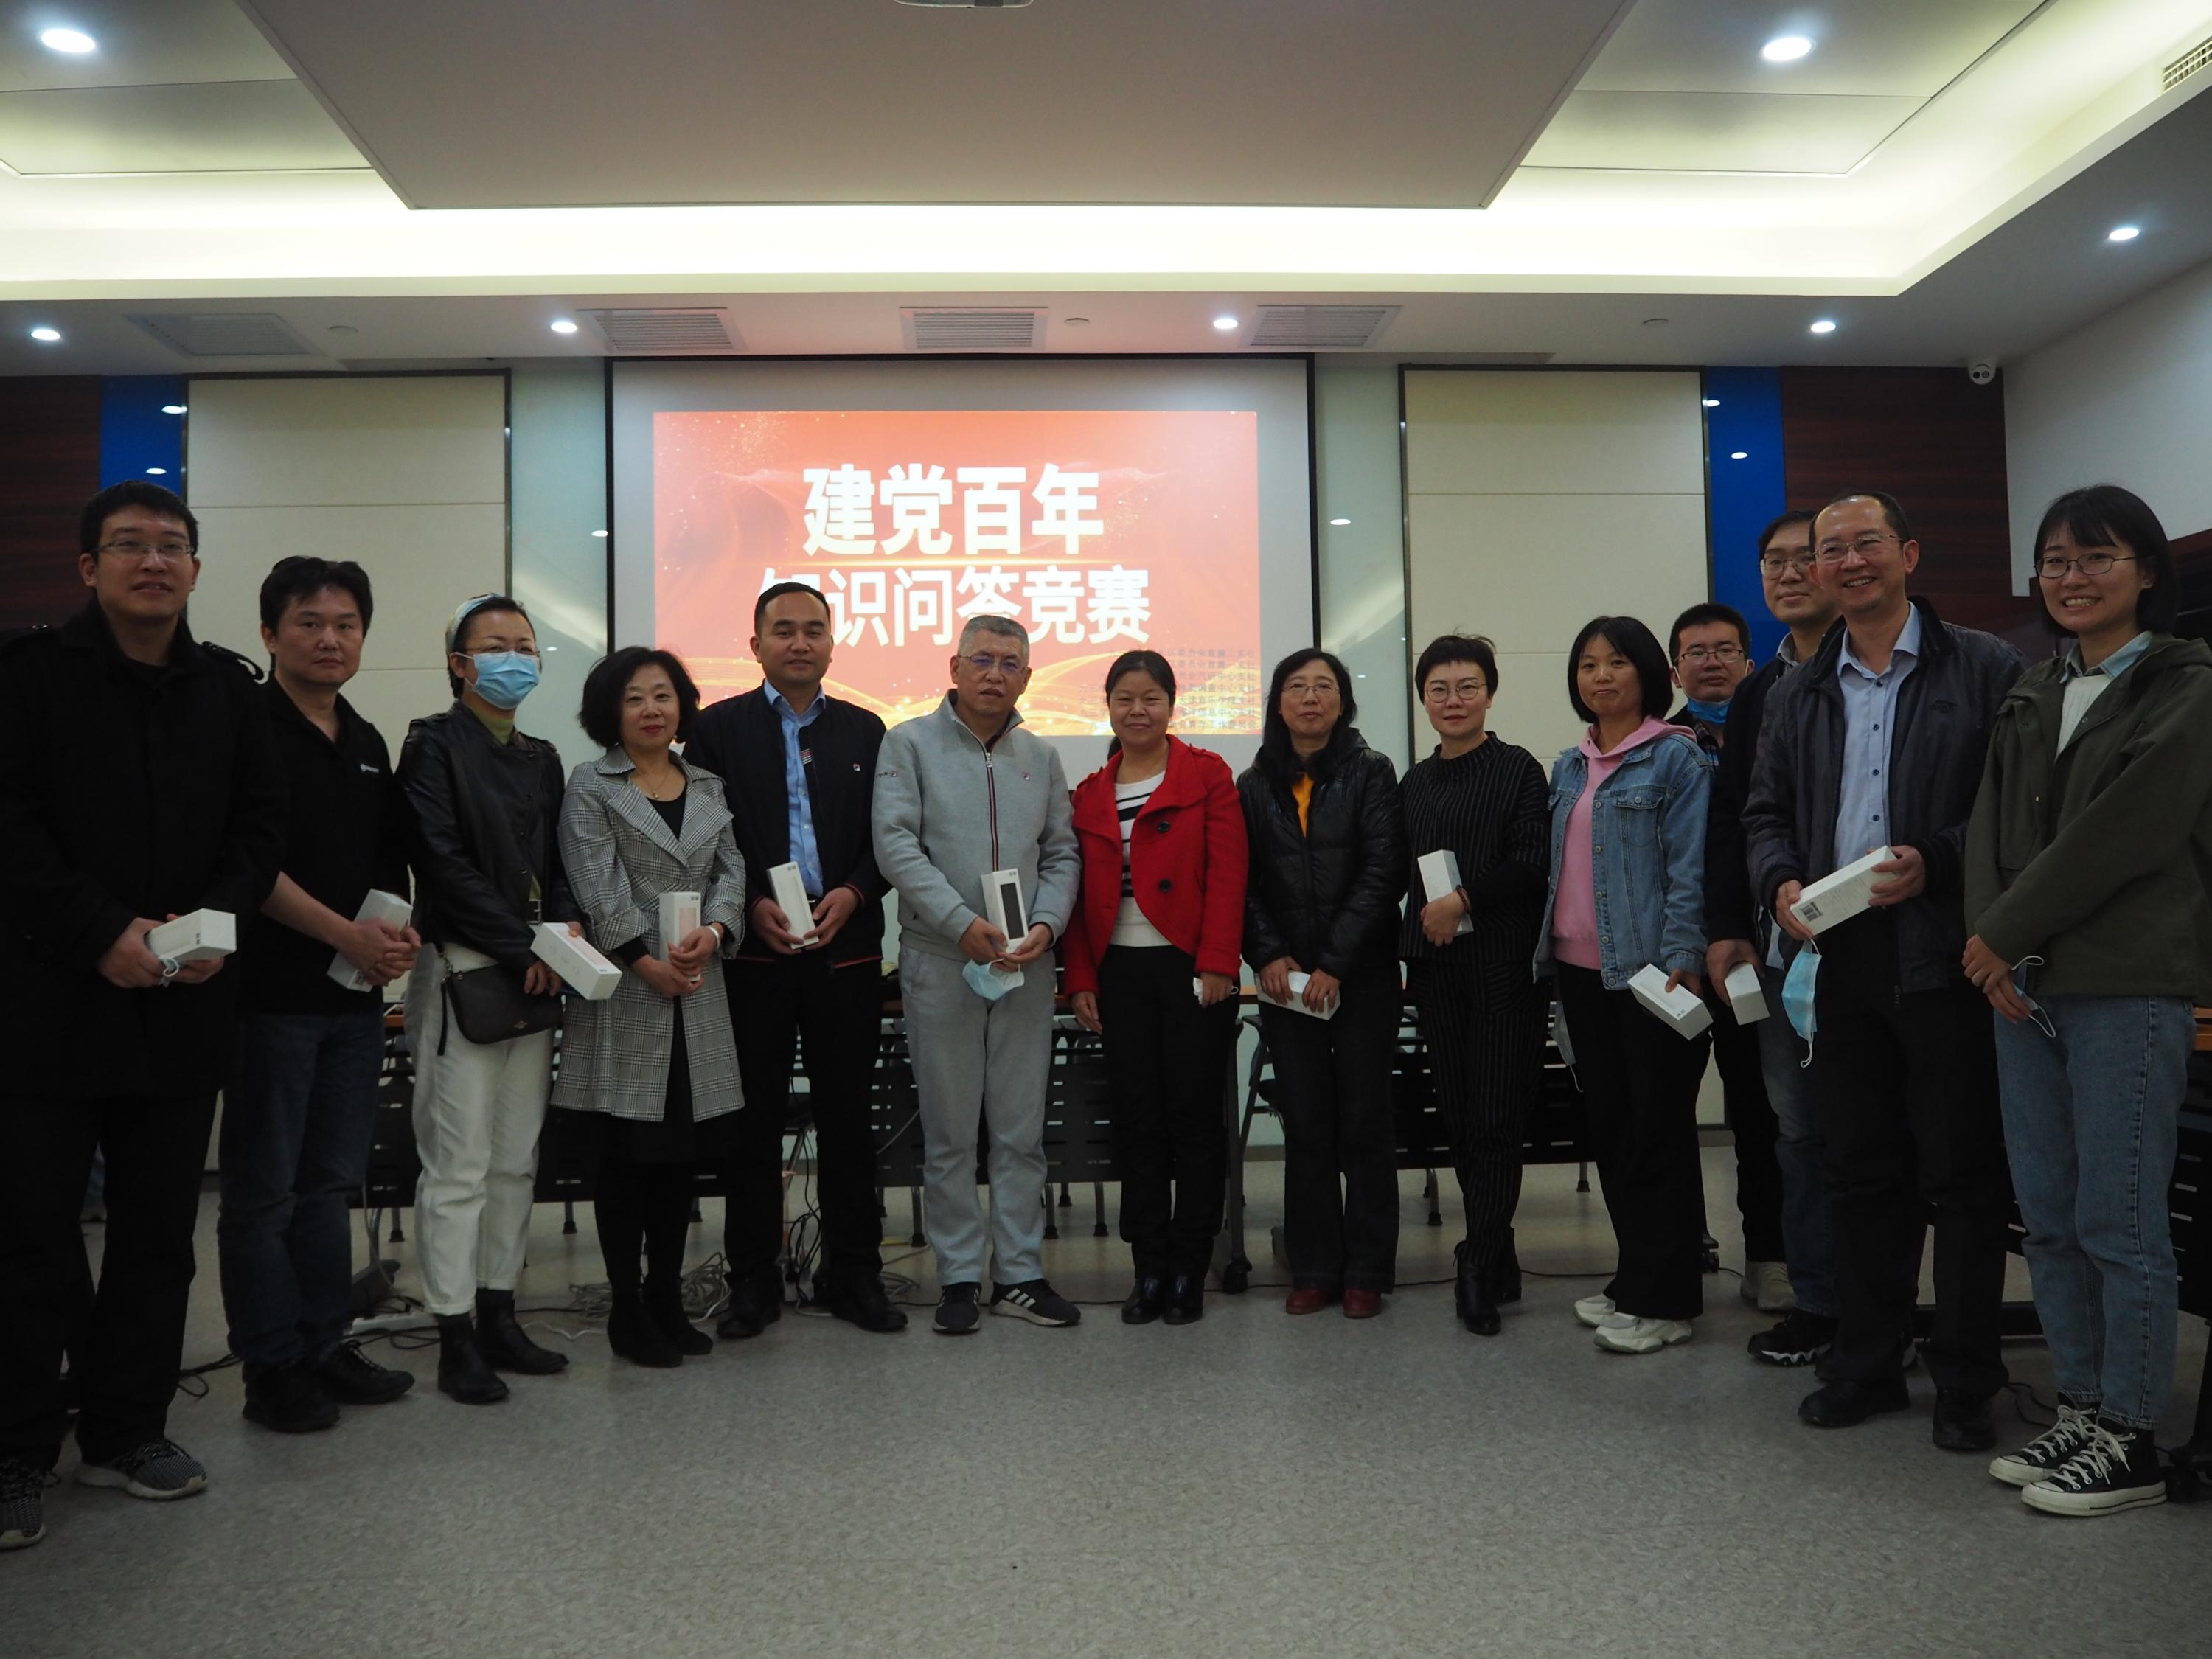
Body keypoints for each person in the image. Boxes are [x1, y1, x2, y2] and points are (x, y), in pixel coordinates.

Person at [0, 482, 284, 1549]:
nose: (153, 561)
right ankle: (18, 1446)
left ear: (197, 569)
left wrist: (212, 927)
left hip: (183, 1003)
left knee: (160, 1235)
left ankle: (128, 1430)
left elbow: (260, 831)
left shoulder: (230, 693)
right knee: (28, 1237)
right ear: (89, 567)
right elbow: (10, 827)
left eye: (172, 546)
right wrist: (101, 932)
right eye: (129, 545)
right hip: (47, 1005)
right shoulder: (27, 678)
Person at [1744, 490, 2024, 1452]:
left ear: (1908, 553)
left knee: (1962, 1177)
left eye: (1867, 543)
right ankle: (1866, 1363)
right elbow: (1765, 812)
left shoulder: (1983, 666)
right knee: (1860, 1169)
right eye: (1832, 550)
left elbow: (2012, 811)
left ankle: (1967, 1380)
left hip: (1945, 952)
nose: (1849, 562)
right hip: (1837, 955)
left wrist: (1936, 861)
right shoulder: (1798, 689)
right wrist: (1778, 880)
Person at [1965, 485, 2212, 1516]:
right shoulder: (2034, 687)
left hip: (2125, 980)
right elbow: (1987, 825)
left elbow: (2128, 829)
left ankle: (2132, 1435)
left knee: (2120, 1221)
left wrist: (2004, 932)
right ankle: (2080, 1405)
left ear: (2147, 571)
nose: (2072, 578)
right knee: (2052, 1219)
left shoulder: (2185, 683)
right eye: (2056, 561)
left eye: (2097, 558)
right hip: (2022, 988)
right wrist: (1989, 949)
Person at [218, 557, 420, 1436]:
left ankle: (323, 1343)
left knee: (330, 1186)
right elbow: (247, 866)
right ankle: (272, 1368)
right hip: (270, 998)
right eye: (309, 623)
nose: (329, 639)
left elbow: (384, 862)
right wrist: (346, 936)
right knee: (264, 1193)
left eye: (346, 625)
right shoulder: (244, 727)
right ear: (270, 634)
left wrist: (395, 938)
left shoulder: (364, 737)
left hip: (352, 1003)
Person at [684, 582, 904, 1339]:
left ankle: (855, 1274)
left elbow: (890, 837)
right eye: (784, 630)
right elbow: (704, 841)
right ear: (756, 646)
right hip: (756, 952)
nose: (800, 642)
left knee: (848, 1117)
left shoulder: (867, 731)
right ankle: (752, 1279)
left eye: (814, 629)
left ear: (833, 644)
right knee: (752, 1123)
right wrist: (748, 907)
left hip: (846, 948)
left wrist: (855, 891)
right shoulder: (715, 731)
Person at [396, 594, 585, 1405]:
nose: (515, 658)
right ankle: (453, 1332)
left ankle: (500, 1310)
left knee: (515, 1158)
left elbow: (561, 862)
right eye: (496, 645)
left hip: (534, 971)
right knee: (459, 1163)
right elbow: (440, 864)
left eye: (525, 645)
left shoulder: (542, 756)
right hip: (466, 968)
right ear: (460, 663)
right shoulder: (431, 745)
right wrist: (521, 946)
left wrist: (558, 943)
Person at [872, 616, 1082, 1335]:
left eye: (1010, 663)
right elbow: (895, 845)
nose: (996, 674)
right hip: (942, 959)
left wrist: (1046, 925)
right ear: (954, 667)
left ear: (1028, 676)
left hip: (1026, 963)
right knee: (951, 1132)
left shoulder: (1041, 756)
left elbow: (1062, 853)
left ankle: (1019, 1275)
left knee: (1020, 1132)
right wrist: (960, 922)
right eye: (983, 660)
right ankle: (959, 1276)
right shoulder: (908, 745)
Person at [553, 647, 748, 1368]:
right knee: (627, 1162)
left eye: (663, 695)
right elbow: (595, 884)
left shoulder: (708, 784)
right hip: (628, 991)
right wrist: (644, 961)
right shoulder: (591, 784)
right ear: (611, 711)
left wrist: (716, 931)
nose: (651, 710)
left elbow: (732, 871)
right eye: (634, 698)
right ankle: (626, 1309)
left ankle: (667, 1297)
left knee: (678, 1163)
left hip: (698, 989)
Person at [1535, 617, 1714, 1356]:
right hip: (1580, 974)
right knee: (1612, 1129)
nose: (1601, 676)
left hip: (1651, 972)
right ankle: (1634, 1278)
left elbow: (1691, 866)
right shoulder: (1569, 766)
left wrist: (1684, 951)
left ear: (1647, 673)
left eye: (1616, 663)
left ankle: (1667, 1300)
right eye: (1588, 664)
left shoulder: (1676, 758)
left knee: (1657, 1133)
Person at [1701, 512, 1847, 1370]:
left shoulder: (1883, 669)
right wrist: (1730, 925)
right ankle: (1819, 1304)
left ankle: (1878, 1313)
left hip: (1879, 942)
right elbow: (1737, 817)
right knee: (1798, 1132)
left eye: (1806, 558)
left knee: (1872, 1134)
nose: (1790, 574)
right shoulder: (1760, 693)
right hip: (1784, 949)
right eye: (1774, 562)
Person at [1065, 651, 1248, 1326]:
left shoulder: (1206, 774)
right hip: (1119, 973)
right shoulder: (1089, 792)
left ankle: (1190, 1265)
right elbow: (1075, 896)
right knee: (1137, 1122)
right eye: (1124, 699)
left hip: (1191, 969)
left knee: (1194, 1120)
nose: (1137, 711)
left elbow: (1229, 874)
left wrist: (1219, 961)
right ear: (1108, 706)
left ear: (1172, 705)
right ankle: (1148, 1267)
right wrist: (1081, 978)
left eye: (1151, 699)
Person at [1238, 648, 1406, 1318]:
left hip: (1361, 977)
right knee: (1306, 1124)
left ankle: (1367, 1270)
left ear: (1342, 703)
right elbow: (1242, 880)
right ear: (1279, 704)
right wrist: (1268, 954)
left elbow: (1384, 872)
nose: (1310, 698)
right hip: (1287, 984)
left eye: (1324, 687)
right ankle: (1313, 1266)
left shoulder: (1371, 771)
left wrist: (1335, 963)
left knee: (1365, 1122)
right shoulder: (1254, 783)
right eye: (1297, 687)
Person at [1399, 635, 1549, 1337]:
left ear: (1489, 694)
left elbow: (1531, 861)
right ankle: (1499, 1251)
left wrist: (1461, 902)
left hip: (1502, 967)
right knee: (1461, 1118)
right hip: (1436, 970)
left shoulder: (1519, 769)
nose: (1453, 701)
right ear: (1423, 699)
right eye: (1439, 689)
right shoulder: (1414, 782)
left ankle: (1476, 1262)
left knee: (1495, 1118)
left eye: (1467, 687)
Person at [1667, 601, 1790, 1318]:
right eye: (1695, 652)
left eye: (1723, 650)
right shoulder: (1656, 744)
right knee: (1667, 1114)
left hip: (1752, 952)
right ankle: (1681, 1247)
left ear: (1749, 661)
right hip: (1676, 962)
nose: (1710, 662)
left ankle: (1769, 1257)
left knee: (1759, 1112)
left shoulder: (1777, 728)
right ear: (1674, 670)